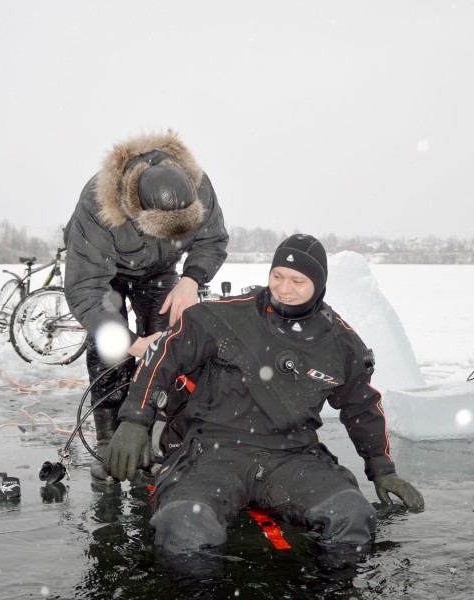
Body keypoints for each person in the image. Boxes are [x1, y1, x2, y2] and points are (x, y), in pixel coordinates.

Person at [105, 233, 424, 562]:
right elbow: (163, 355)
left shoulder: (340, 343)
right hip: (214, 452)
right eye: (277, 277)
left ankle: (331, 588)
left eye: (297, 280)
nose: (284, 288)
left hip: (292, 456)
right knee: (183, 526)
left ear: (319, 284)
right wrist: (134, 420)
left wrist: (382, 468)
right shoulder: (224, 317)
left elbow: (361, 407)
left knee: (351, 515)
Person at [64, 131, 229, 485]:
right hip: (103, 275)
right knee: (111, 348)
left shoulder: (199, 185)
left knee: (172, 341)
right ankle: (110, 441)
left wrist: (191, 280)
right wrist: (134, 344)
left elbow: (212, 240)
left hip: (159, 272)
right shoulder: (97, 205)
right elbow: (84, 289)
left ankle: (157, 436)